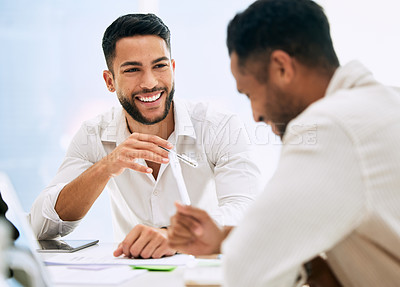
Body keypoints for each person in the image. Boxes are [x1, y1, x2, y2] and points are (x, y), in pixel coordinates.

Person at [168, 0, 400, 286]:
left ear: (281, 67)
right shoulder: (383, 103)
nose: (255, 115)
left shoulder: (331, 126)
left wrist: (238, 250)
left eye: (250, 94)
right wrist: (224, 240)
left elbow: (245, 270)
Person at [28, 13, 261, 259]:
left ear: (172, 69)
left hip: (205, 276)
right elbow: (41, 226)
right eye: (132, 70)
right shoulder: (93, 134)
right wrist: (105, 167)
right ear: (110, 81)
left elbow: (247, 211)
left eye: (159, 66)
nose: (149, 83)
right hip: (133, 277)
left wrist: (176, 236)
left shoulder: (219, 125)